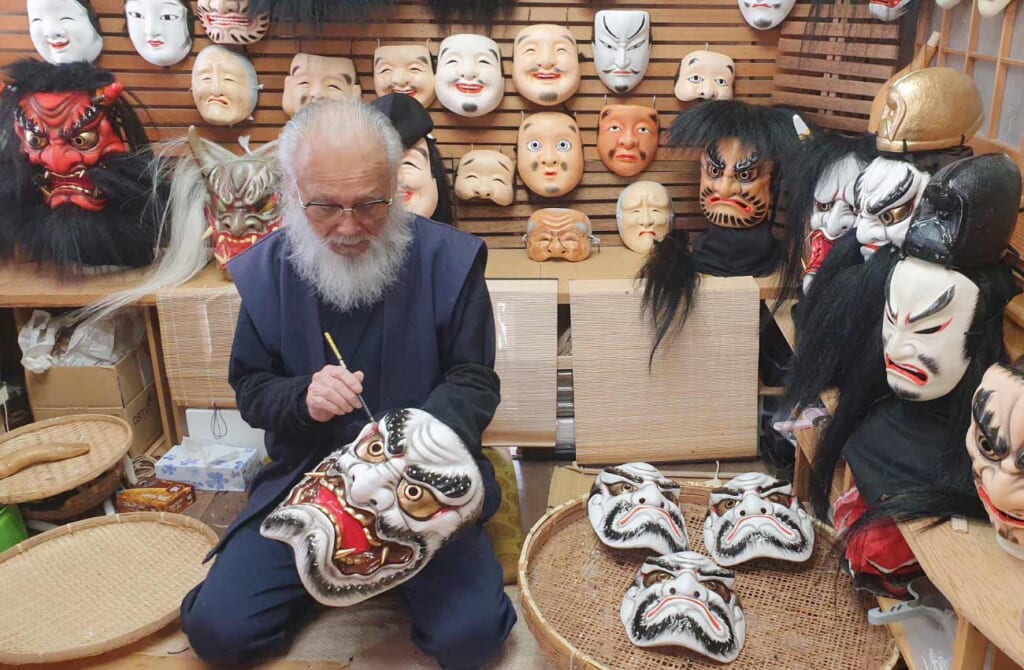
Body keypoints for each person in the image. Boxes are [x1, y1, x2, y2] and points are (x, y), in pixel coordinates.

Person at [178, 98, 516, 668]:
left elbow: (474, 378)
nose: (349, 226)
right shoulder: (269, 271)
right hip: (309, 485)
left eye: (369, 204)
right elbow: (253, 388)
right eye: (325, 207)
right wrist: (301, 397)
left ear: (397, 183)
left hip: (424, 490)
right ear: (292, 190)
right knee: (220, 632)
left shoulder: (446, 261)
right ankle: (327, 579)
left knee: (472, 639)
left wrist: (415, 439)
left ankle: (364, 580)